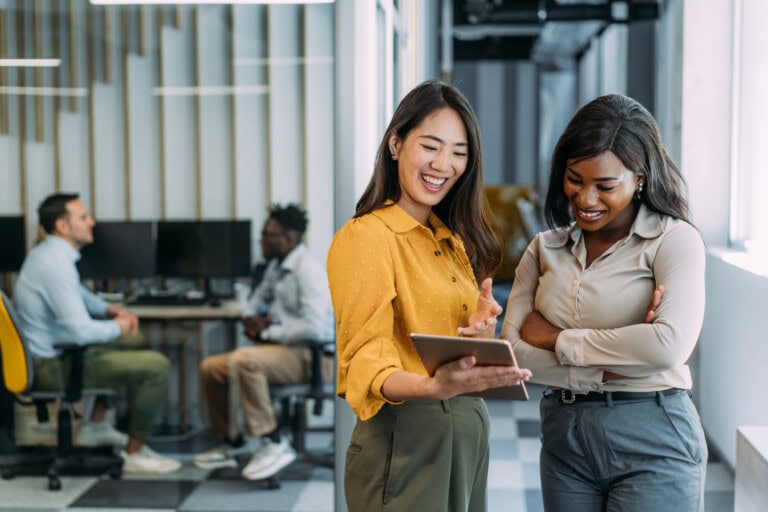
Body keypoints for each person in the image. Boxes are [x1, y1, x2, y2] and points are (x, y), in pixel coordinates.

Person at [326, 80, 532, 512]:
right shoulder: (367, 237)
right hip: (406, 444)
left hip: (466, 437)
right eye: (431, 146)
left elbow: (447, 347)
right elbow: (366, 357)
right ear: (395, 144)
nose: (444, 164)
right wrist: (431, 386)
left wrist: (479, 332)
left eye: (459, 153)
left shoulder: (449, 239)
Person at [501, 93, 707, 511]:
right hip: (564, 436)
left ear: (640, 179)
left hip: (652, 434)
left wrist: (556, 338)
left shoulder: (674, 241)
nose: (586, 199)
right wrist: (626, 355)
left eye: (605, 186)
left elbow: (668, 347)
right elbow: (513, 355)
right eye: (575, 179)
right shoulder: (545, 249)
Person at [13, 193, 181, 474]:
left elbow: (79, 294)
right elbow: (79, 331)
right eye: (83, 217)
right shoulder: (55, 265)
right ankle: (134, 454)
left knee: (134, 339)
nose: (92, 222)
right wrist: (119, 326)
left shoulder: (49, 254)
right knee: (157, 367)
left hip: (53, 354)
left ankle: (95, 424)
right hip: (51, 367)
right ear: (62, 226)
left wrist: (110, 311)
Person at [193, 203, 335, 480]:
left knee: (244, 360)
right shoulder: (276, 267)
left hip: (317, 357)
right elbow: (255, 303)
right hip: (288, 351)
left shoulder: (307, 270)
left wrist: (269, 332)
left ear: (289, 239)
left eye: (268, 235)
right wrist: (250, 318)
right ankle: (231, 442)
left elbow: (316, 328)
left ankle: (273, 441)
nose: (262, 240)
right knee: (212, 367)